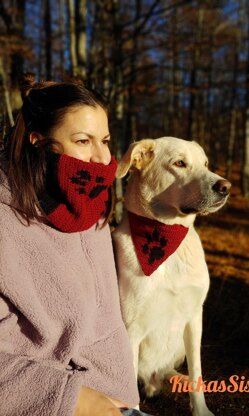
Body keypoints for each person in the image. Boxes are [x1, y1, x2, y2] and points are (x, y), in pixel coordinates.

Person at [0, 74, 150, 416]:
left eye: (106, 140)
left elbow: (106, 323)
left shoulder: (92, 209)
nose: (101, 159)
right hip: (40, 402)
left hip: (115, 399)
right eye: (83, 141)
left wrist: (123, 395)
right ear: (39, 141)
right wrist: (68, 398)